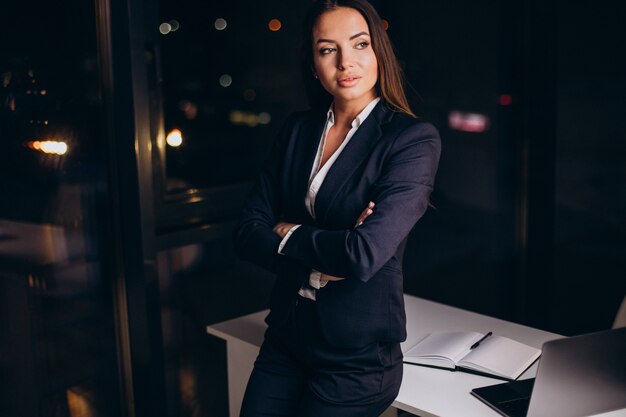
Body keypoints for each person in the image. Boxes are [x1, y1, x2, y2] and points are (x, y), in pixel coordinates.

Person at [233, 0, 441, 415]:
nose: (346, 61)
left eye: (359, 44)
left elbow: (362, 254)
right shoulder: (296, 130)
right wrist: (334, 246)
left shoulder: (411, 140)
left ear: (378, 51)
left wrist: (287, 231)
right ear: (314, 64)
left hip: (356, 359)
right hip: (286, 338)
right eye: (328, 49)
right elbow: (245, 232)